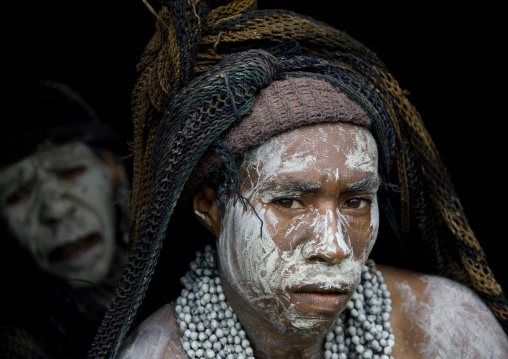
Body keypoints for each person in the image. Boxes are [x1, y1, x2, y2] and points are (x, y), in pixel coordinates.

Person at [86, 1, 508, 358]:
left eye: (355, 201)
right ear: (210, 207)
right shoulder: (158, 353)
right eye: (289, 201)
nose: (335, 246)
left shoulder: (444, 330)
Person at [0, 80, 130, 359]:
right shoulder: (20, 342)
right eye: (18, 193)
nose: (55, 211)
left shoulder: (189, 267)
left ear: (114, 172)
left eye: (70, 171)